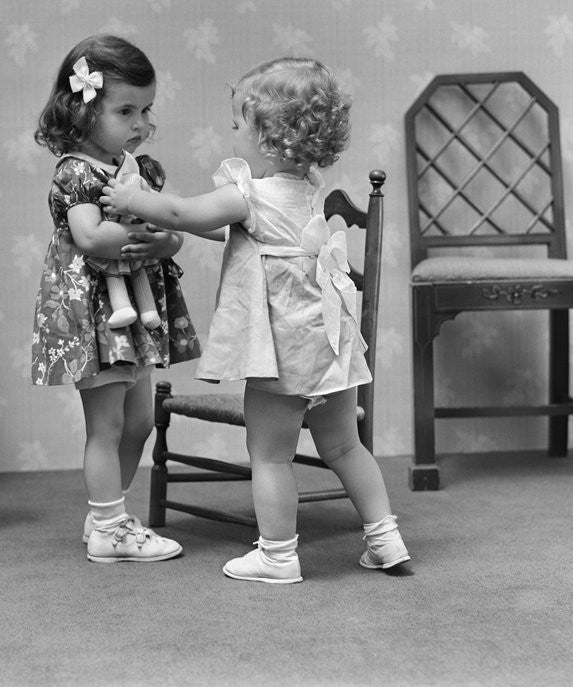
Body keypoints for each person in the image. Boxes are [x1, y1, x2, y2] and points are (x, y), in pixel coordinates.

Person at [102, 57, 410, 583]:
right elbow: (243, 236)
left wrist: (135, 199)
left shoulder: (247, 193)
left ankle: (277, 555)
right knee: (343, 445)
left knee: (269, 454)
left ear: (268, 136)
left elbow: (183, 213)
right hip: (330, 342)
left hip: (283, 349)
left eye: (239, 124)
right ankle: (386, 540)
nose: (232, 132)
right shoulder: (309, 188)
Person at [31, 34, 201, 563]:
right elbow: (89, 236)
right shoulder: (75, 171)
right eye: (126, 110)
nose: (140, 122)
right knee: (105, 424)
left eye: (146, 109)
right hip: (95, 311)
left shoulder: (141, 170)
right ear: (82, 112)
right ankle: (110, 527)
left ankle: (109, 512)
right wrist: (140, 227)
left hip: (135, 312)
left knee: (139, 422)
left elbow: (172, 233)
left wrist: (164, 235)